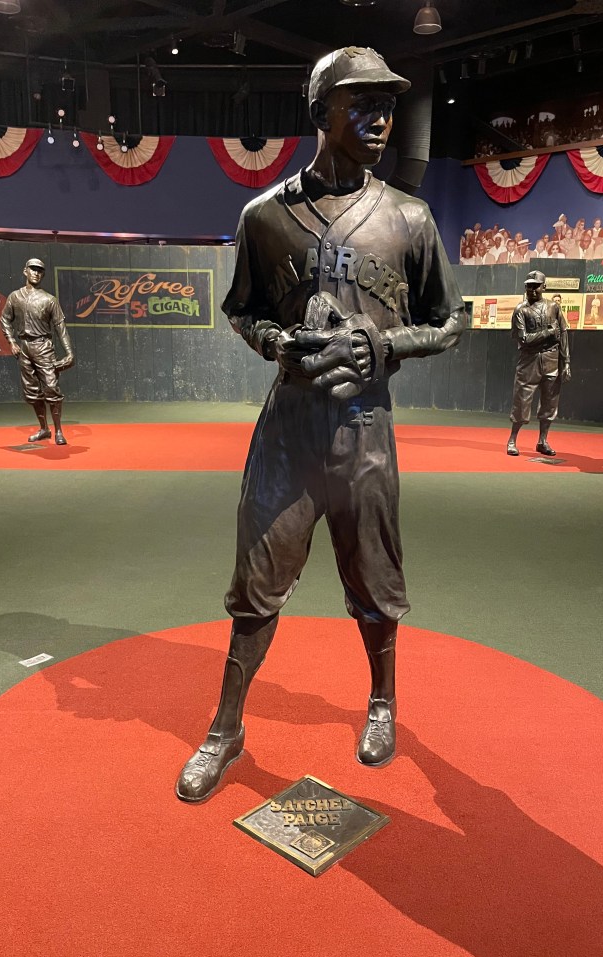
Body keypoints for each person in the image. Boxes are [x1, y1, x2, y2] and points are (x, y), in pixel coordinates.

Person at [176, 45, 466, 803]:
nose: (378, 117)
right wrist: (275, 341)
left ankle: (382, 701)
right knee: (257, 585)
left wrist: (384, 344)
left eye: (387, 103)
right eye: (359, 102)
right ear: (319, 113)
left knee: (375, 578)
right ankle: (226, 728)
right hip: (289, 426)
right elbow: (240, 308)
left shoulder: (408, 216)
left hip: (364, 426)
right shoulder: (265, 216)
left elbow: (451, 320)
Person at [0, 258, 75, 445]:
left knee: (51, 388)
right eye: (32, 269)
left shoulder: (49, 299)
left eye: (40, 270)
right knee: (32, 392)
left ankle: (58, 431)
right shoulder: (15, 297)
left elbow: (60, 326)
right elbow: (4, 319)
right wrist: (11, 341)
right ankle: (44, 429)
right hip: (24, 347)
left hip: (43, 347)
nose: (36, 273)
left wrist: (69, 353)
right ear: (25, 271)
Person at [506, 270, 570, 458]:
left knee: (550, 404)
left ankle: (543, 440)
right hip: (529, 362)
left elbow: (564, 334)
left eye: (536, 286)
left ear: (544, 287)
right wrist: (548, 333)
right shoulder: (521, 310)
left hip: (551, 361)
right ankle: (512, 439)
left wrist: (566, 362)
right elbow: (524, 339)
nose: (532, 289)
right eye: (529, 286)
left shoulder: (553, 307)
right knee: (521, 402)